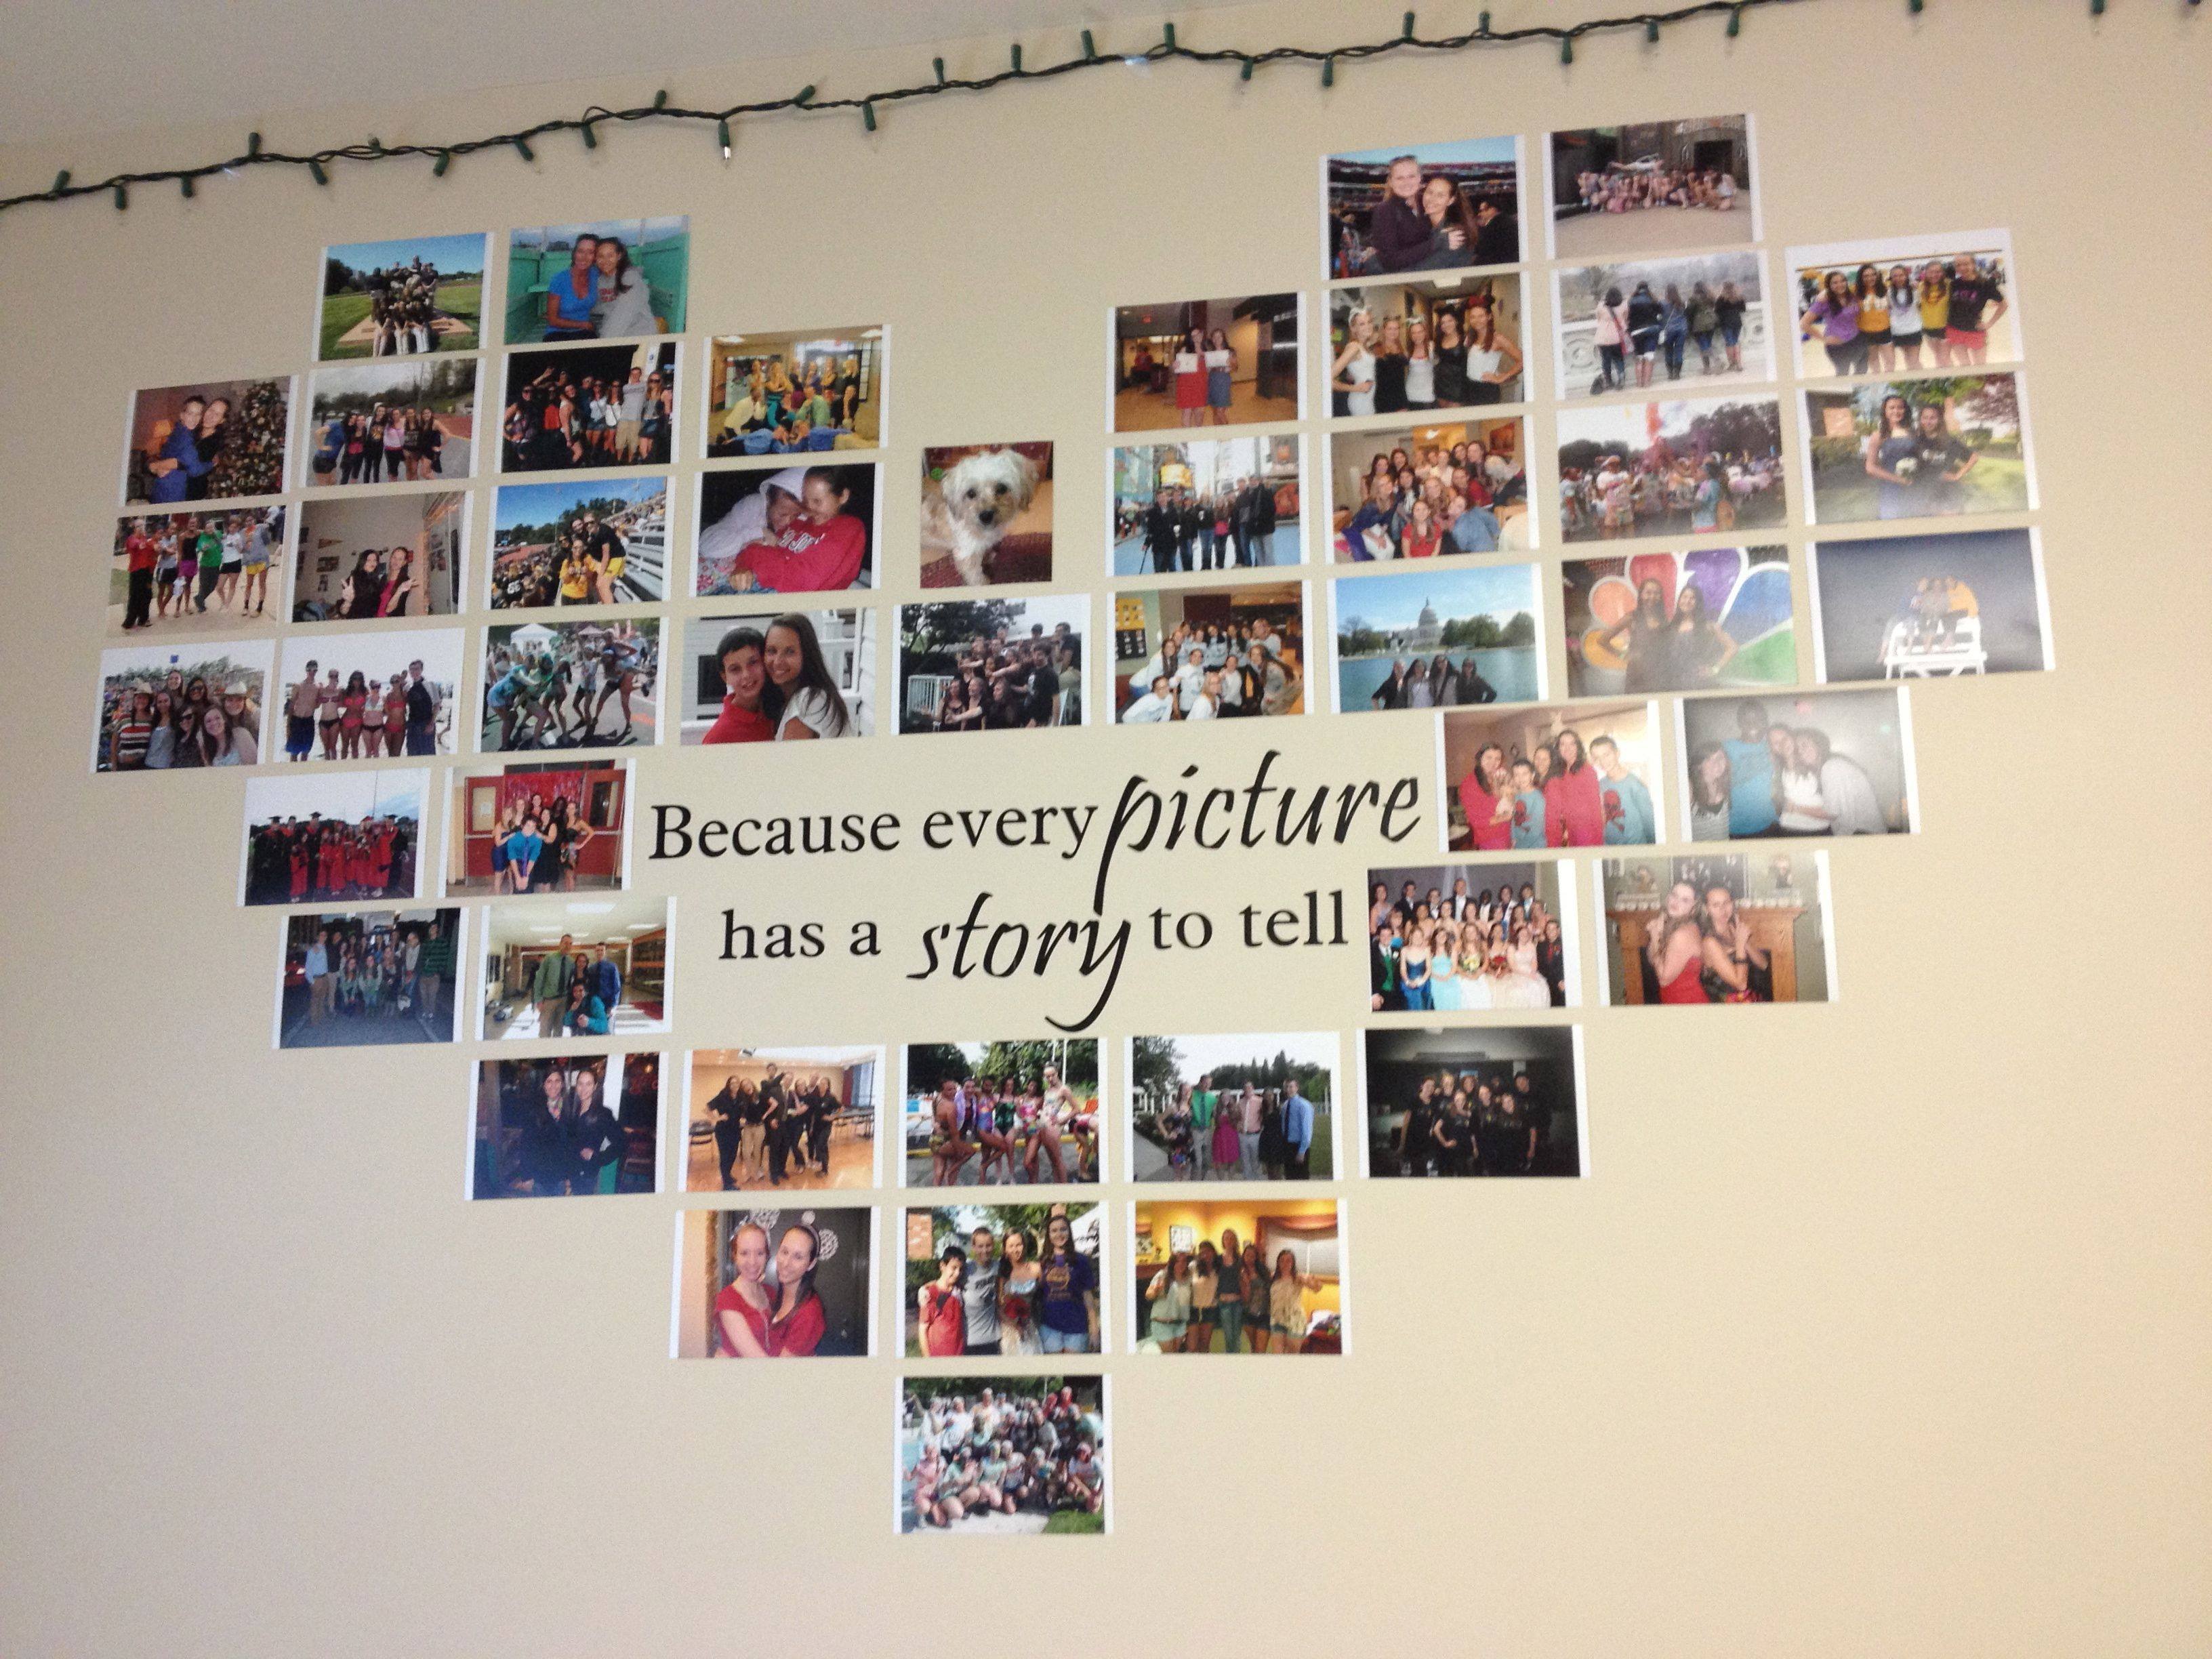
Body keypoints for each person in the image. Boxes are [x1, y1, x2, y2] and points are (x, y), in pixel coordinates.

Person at [762, 614, 853, 741]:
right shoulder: (784, 699)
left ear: (807, 655)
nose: (777, 662)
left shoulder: (809, 701)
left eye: (790, 652)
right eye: (772, 651)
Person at [1036, 1212, 1099, 1353]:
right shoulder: (1042, 1262)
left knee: (1073, 1368)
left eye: (1063, 1229)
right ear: (1049, 1235)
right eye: (1054, 1231)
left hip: (1077, 1328)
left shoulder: (1081, 1260)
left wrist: (1094, 1328)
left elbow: (1088, 1296)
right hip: (1049, 1328)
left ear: (1069, 1232)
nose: (1059, 1234)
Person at [1721, 699, 1779, 837]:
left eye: (1759, 720)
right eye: (1747, 720)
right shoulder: (1727, 747)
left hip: (1770, 824)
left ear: (1765, 722)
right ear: (1739, 723)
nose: (1753, 724)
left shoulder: (1772, 746)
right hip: (1737, 828)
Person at [590, 237, 657, 337]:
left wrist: (604, 340)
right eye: (601, 256)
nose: (605, 260)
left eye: (610, 256)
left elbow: (624, 314)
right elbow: (602, 307)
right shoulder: (601, 281)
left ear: (619, 256)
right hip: (614, 332)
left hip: (639, 334)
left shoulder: (631, 279)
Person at [541, 235, 600, 341]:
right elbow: (552, 320)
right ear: (574, 253)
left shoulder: (596, 275)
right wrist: (583, 324)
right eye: (580, 251)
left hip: (584, 333)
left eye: (591, 252)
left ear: (596, 257)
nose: (584, 257)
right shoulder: (559, 279)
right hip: (557, 332)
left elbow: (615, 269)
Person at [918, 1245, 968, 1357]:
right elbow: (923, 1330)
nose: (957, 1273)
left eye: (960, 1269)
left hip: (959, 1355)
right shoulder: (930, 1294)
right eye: (954, 1268)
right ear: (942, 1266)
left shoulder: (958, 1291)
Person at [1268, 1249, 1322, 1354]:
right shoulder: (1273, 1277)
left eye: (1288, 1261)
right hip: (1277, 1319)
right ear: (1278, 1263)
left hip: (1295, 1321)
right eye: (1282, 1261)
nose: (1285, 1264)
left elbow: (1316, 1288)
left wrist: (1314, 1282)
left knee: (1292, 1355)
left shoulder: (1298, 1277)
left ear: (1293, 1263)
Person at [1145, 1252, 1193, 1353]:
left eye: (1184, 1261)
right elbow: (1148, 1295)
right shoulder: (1162, 1275)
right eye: (1177, 1261)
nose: (1181, 1264)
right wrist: (1155, 1291)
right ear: (1172, 1263)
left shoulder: (1188, 1278)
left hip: (1180, 1324)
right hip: (1162, 1324)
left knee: (1175, 1354)